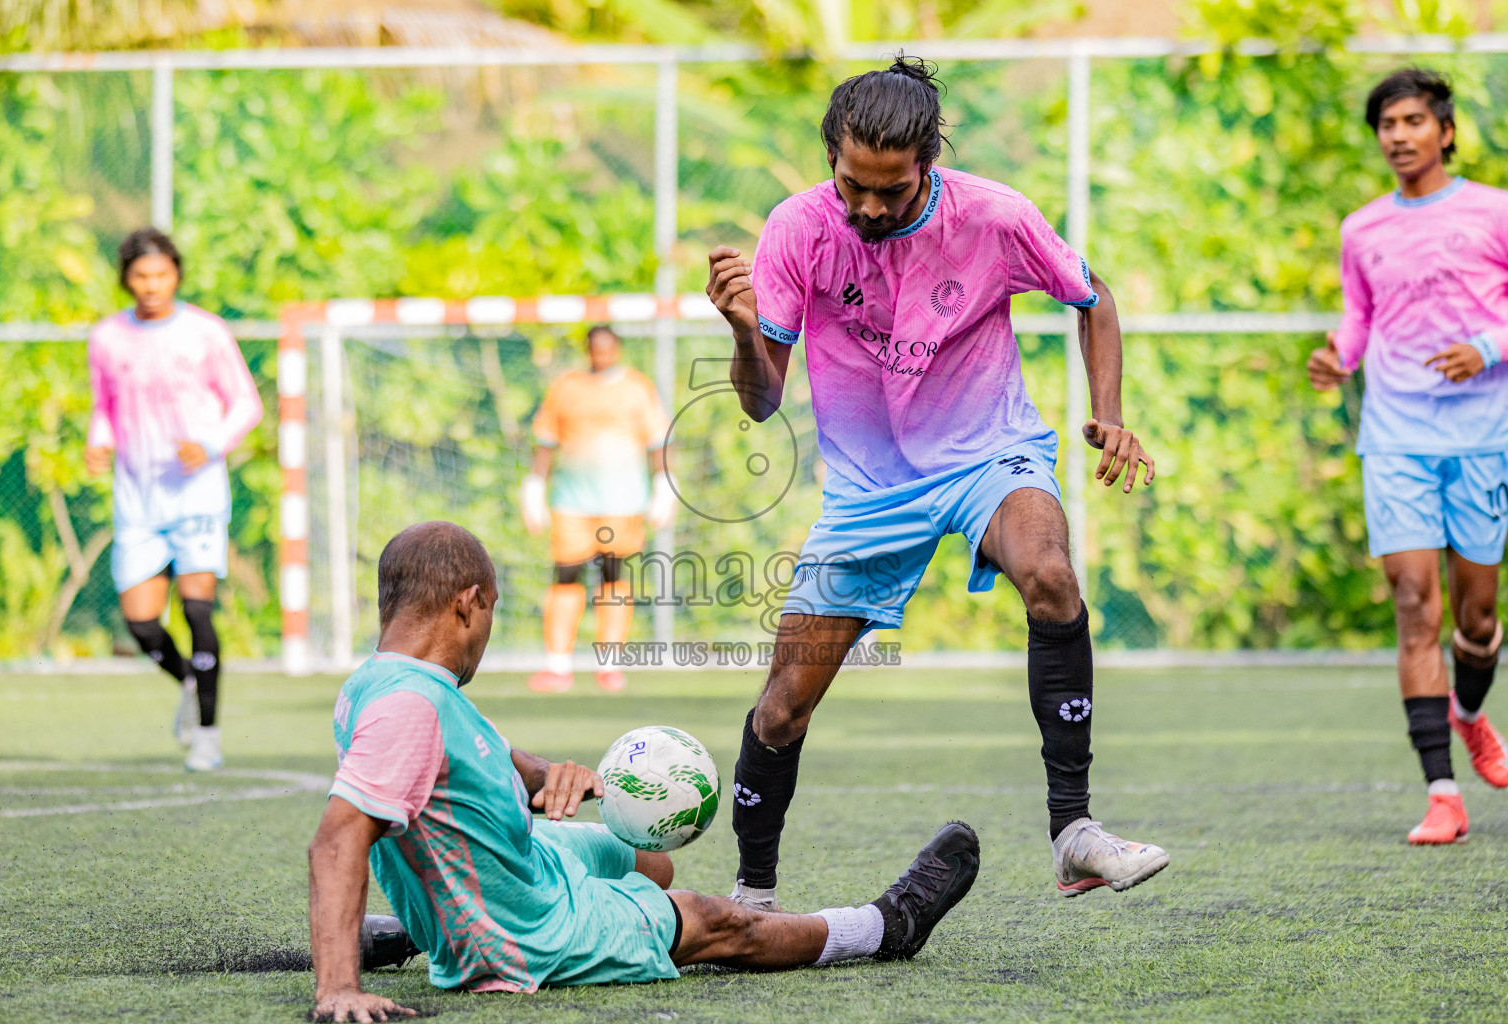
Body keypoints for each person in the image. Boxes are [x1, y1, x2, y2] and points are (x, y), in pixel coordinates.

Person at [705, 56, 1169, 910]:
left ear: (928, 161)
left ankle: (1074, 833)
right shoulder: (797, 229)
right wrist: (743, 332)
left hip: (986, 451)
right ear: (832, 160)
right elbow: (762, 401)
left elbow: (1091, 295)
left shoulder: (994, 215)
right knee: (781, 712)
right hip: (865, 494)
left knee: (1051, 575)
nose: (870, 208)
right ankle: (753, 895)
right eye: (853, 186)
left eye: (891, 189)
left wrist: (1108, 409)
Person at [305, 522, 979, 1021]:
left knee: (647, 861)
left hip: (523, 862)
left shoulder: (385, 684)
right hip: (524, 932)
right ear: (469, 602)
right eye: (492, 612)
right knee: (719, 920)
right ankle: (885, 926)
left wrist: (553, 778)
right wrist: (337, 989)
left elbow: (480, 761)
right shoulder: (408, 706)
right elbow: (338, 839)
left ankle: (416, 929)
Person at [1307, 69, 1508, 845]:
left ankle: (1469, 712)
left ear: (1445, 132)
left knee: (1477, 615)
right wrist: (1339, 357)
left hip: (1482, 437)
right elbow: (1359, 319)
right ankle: (1441, 793)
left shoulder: (1498, 212)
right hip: (1394, 436)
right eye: (1387, 124)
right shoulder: (1362, 229)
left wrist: (1488, 348)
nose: (1398, 135)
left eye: (1412, 121)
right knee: (1412, 605)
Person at [85, 228, 263, 772]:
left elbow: (246, 405)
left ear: (177, 275)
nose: (152, 285)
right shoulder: (107, 338)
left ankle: (207, 734)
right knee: (141, 624)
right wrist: (99, 440)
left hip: (197, 494)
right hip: (137, 498)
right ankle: (190, 679)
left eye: (161, 274)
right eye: (141, 276)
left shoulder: (206, 332)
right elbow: (104, 406)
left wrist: (208, 445)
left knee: (196, 608)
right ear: (127, 281)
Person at [520, 325, 676, 693]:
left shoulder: (637, 388)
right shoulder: (566, 387)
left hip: (622, 503)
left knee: (612, 575)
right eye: (595, 348)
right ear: (588, 350)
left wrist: (664, 485)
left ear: (617, 349)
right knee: (566, 575)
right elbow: (545, 440)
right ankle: (558, 665)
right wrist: (534, 486)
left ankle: (610, 664)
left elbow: (658, 442)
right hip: (572, 501)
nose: (602, 355)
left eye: (608, 348)